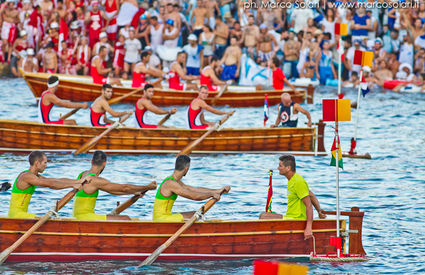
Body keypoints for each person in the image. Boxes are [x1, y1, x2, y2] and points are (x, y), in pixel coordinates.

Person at [73, 150, 157, 221]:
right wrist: (147, 187)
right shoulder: (96, 180)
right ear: (104, 164)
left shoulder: (82, 174)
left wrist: (135, 192)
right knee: (126, 219)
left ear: (91, 162)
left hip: (77, 216)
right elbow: (124, 188)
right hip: (85, 218)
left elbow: (114, 190)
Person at [259, 155, 326, 240]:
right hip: (291, 216)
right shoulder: (292, 180)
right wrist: (319, 211)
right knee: (265, 215)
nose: (278, 168)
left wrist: (308, 228)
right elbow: (311, 195)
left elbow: (309, 205)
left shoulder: (298, 182)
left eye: (280, 166)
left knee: (263, 216)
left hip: (297, 219)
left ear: (288, 168)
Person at [8, 151, 91, 219]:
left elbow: (55, 180)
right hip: (16, 216)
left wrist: (78, 181)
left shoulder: (35, 176)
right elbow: (51, 184)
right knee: (48, 219)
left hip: (22, 215)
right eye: (45, 163)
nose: (46, 166)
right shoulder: (26, 176)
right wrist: (71, 186)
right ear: (37, 163)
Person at [153, 154, 230, 221]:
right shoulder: (171, 183)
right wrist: (210, 194)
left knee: (195, 214)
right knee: (196, 216)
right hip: (162, 219)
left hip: (164, 217)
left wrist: (217, 191)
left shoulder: (173, 181)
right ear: (187, 168)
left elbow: (194, 189)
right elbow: (194, 196)